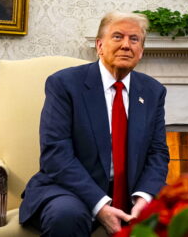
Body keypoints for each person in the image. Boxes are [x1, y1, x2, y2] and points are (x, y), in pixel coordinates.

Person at [20, 12, 169, 237]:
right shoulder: (64, 84)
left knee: (183, 214)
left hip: (131, 190)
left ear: (141, 51)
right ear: (99, 45)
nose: (126, 45)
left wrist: (143, 198)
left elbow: (157, 153)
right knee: (66, 216)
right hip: (71, 189)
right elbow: (56, 153)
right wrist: (100, 205)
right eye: (117, 37)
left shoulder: (153, 91)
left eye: (134, 39)